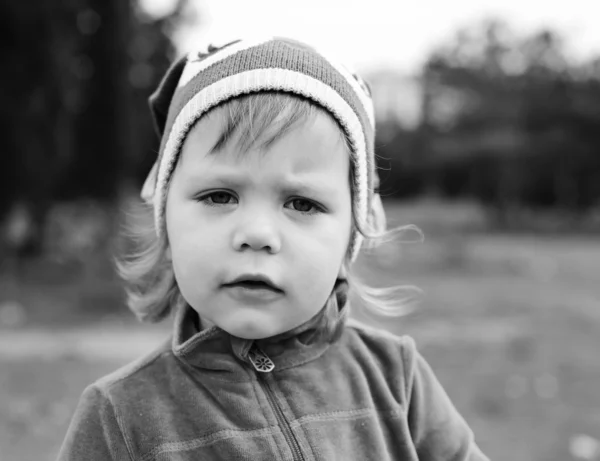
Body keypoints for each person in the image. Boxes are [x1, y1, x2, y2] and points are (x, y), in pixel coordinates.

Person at [58, 37, 489, 460]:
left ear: (352, 234)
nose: (258, 233)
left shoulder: (397, 377)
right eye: (219, 196)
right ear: (165, 216)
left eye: (302, 203)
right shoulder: (120, 418)